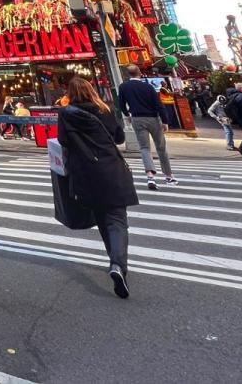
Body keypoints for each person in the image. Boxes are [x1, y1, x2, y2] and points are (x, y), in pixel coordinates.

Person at [58, 76, 139, 298]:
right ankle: (117, 264)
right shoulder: (104, 109)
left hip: (85, 172)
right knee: (117, 219)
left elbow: (63, 141)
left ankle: (114, 260)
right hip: (110, 168)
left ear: (70, 93)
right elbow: (118, 137)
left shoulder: (66, 114)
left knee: (103, 217)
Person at [118, 65, 177, 190]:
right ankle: (168, 176)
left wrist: (128, 115)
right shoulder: (148, 87)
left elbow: (121, 104)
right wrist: (165, 121)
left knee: (144, 148)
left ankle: (150, 176)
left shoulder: (123, 87)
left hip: (137, 118)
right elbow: (158, 104)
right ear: (139, 73)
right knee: (161, 147)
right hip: (153, 118)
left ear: (128, 74)